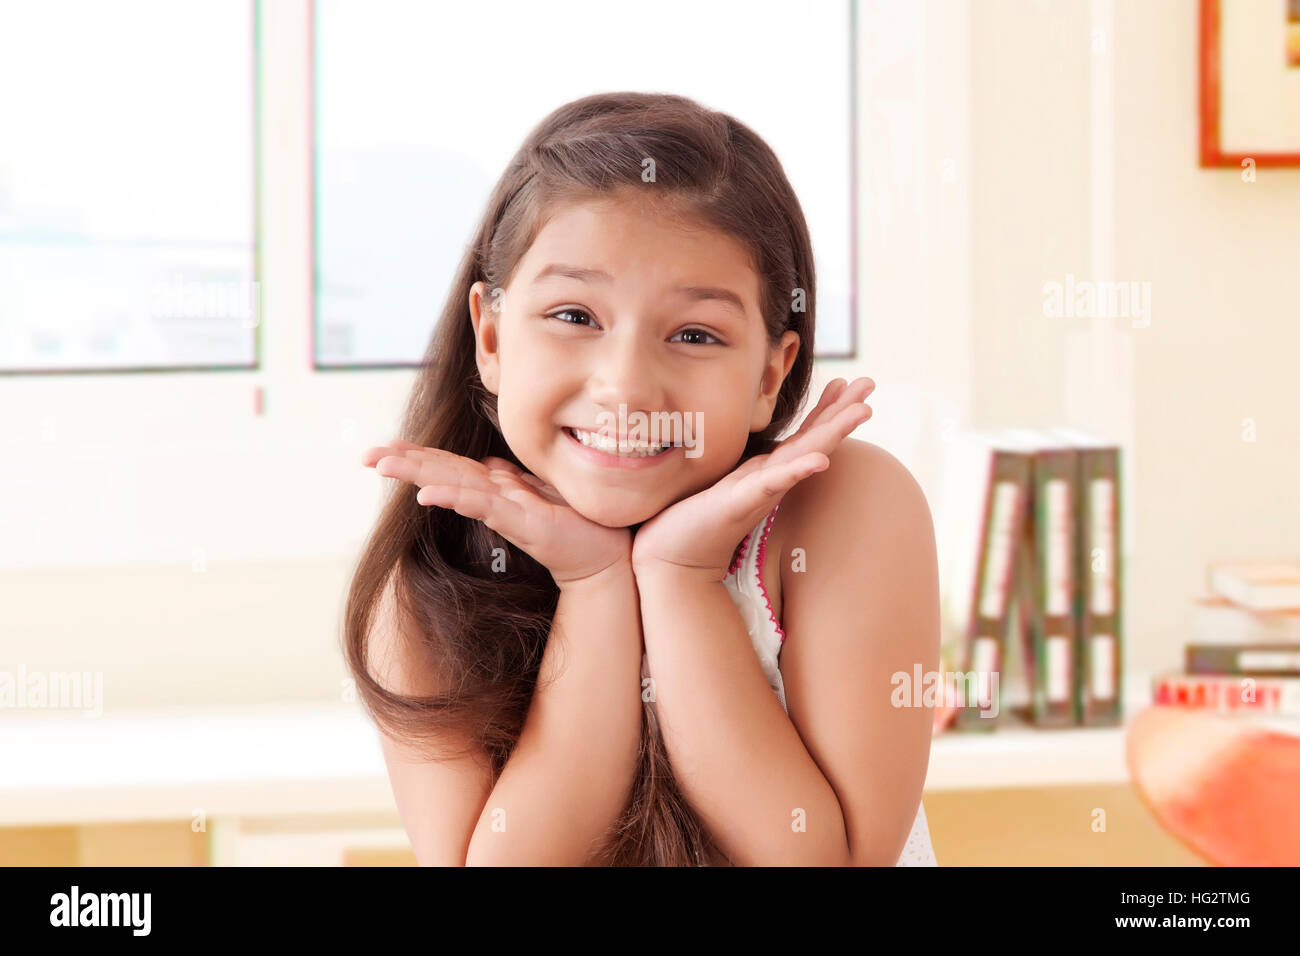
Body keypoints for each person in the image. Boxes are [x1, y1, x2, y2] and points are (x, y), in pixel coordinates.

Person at [343, 91, 938, 866]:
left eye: (694, 333)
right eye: (574, 316)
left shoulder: (842, 507)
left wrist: (679, 578)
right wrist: (594, 587)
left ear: (770, 372)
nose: (625, 386)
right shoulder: (433, 580)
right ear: (490, 336)